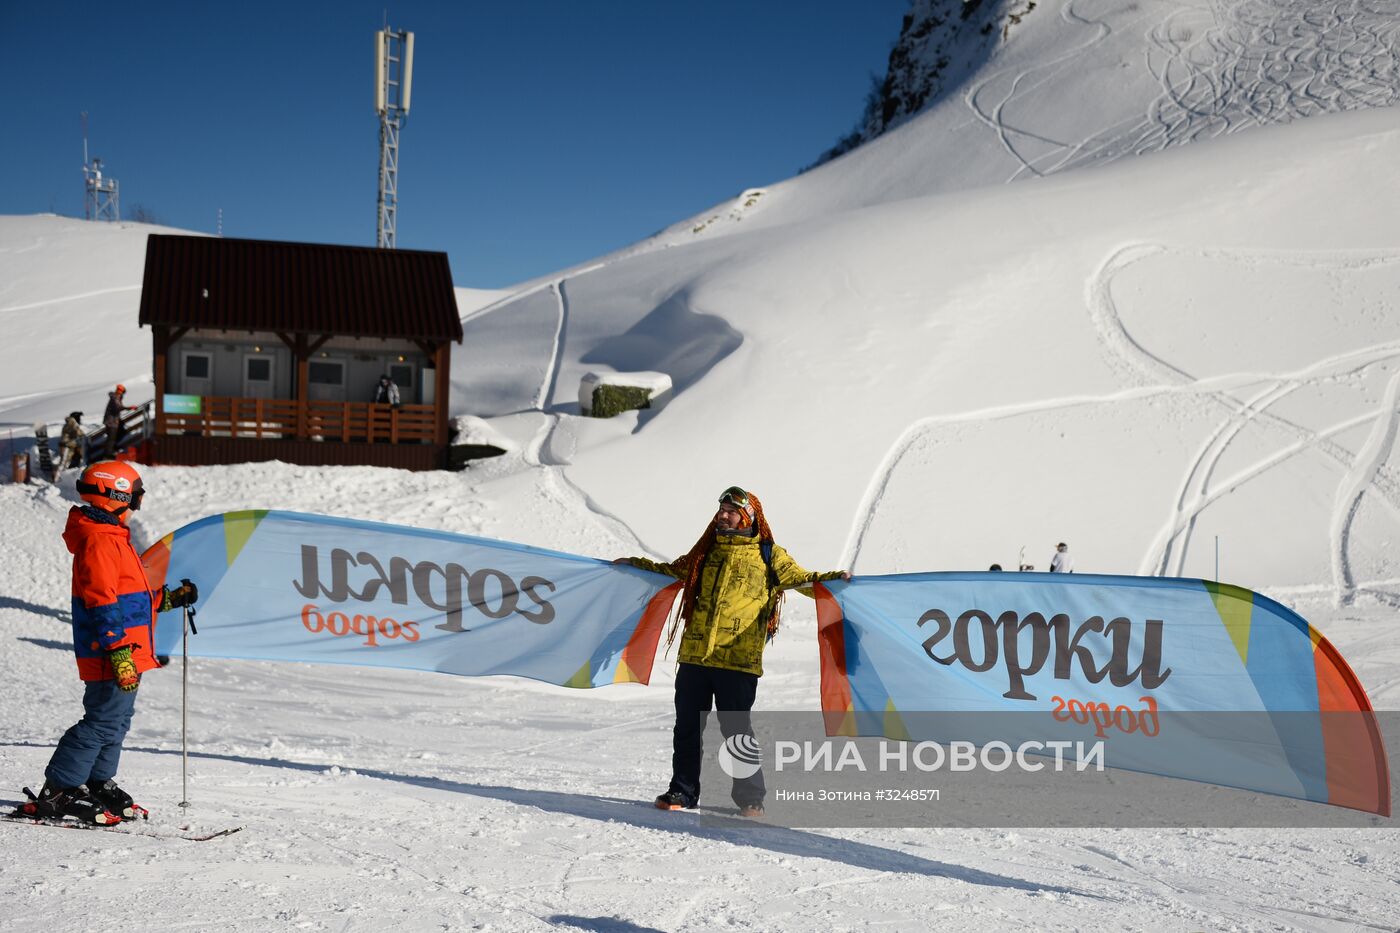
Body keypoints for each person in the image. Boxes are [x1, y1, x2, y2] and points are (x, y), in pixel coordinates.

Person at [615, 486, 848, 818]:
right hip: (695, 656)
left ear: (748, 517)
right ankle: (683, 789)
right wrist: (633, 566)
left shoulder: (769, 555)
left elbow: (802, 580)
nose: (723, 515)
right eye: (721, 509)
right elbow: (672, 572)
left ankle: (751, 797)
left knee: (736, 730)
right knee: (687, 728)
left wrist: (836, 581)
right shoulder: (705, 553)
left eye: (731, 511)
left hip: (738, 661)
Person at [21, 461, 199, 825]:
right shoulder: (99, 540)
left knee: (117, 720)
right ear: (115, 494)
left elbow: (127, 597)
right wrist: (118, 651)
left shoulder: (113, 537)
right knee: (101, 720)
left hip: (127, 650)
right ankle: (59, 789)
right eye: (134, 496)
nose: (137, 504)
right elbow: (100, 599)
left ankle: (97, 781)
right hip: (112, 651)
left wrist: (168, 599)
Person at [102, 384, 132, 459]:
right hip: (111, 422)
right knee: (111, 439)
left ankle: (110, 451)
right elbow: (118, 408)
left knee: (114, 437)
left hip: (113, 421)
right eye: (121, 391)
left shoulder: (116, 397)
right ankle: (108, 455)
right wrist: (129, 408)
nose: (121, 393)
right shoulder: (115, 398)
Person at [57, 411, 85, 477]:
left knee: (65, 462)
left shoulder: (69, 423)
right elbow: (80, 433)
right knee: (64, 463)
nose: (80, 419)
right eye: (79, 417)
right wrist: (83, 436)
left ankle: (64, 476)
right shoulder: (73, 423)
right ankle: (58, 478)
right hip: (67, 446)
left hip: (68, 445)